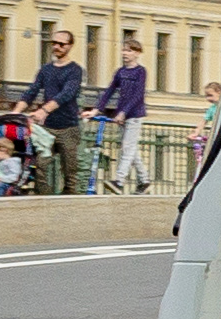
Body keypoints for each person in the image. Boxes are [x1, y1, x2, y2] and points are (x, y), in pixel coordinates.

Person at [24, 27, 86, 194]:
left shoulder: (75, 70)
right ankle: (46, 201)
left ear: (70, 46)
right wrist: (17, 110)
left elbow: (66, 94)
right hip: (48, 129)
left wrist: (44, 110)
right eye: (54, 43)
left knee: (69, 172)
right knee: (39, 166)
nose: (56, 47)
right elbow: (32, 91)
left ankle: (69, 205)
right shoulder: (46, 70)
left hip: (68, 127)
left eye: (61, 44)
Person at [93, 31, 149, 189]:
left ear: (137, 53)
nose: (125, 53)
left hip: (134, 115)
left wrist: (124, 112)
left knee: (127, 147)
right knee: (131, 148)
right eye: (124, 50)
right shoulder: (120, 72)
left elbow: (138, 95)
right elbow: (109, 91)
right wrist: (97, 109)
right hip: (122, 115)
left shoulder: (140, 71)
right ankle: (144, 180)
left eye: (129, 50)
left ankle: (119, 181)